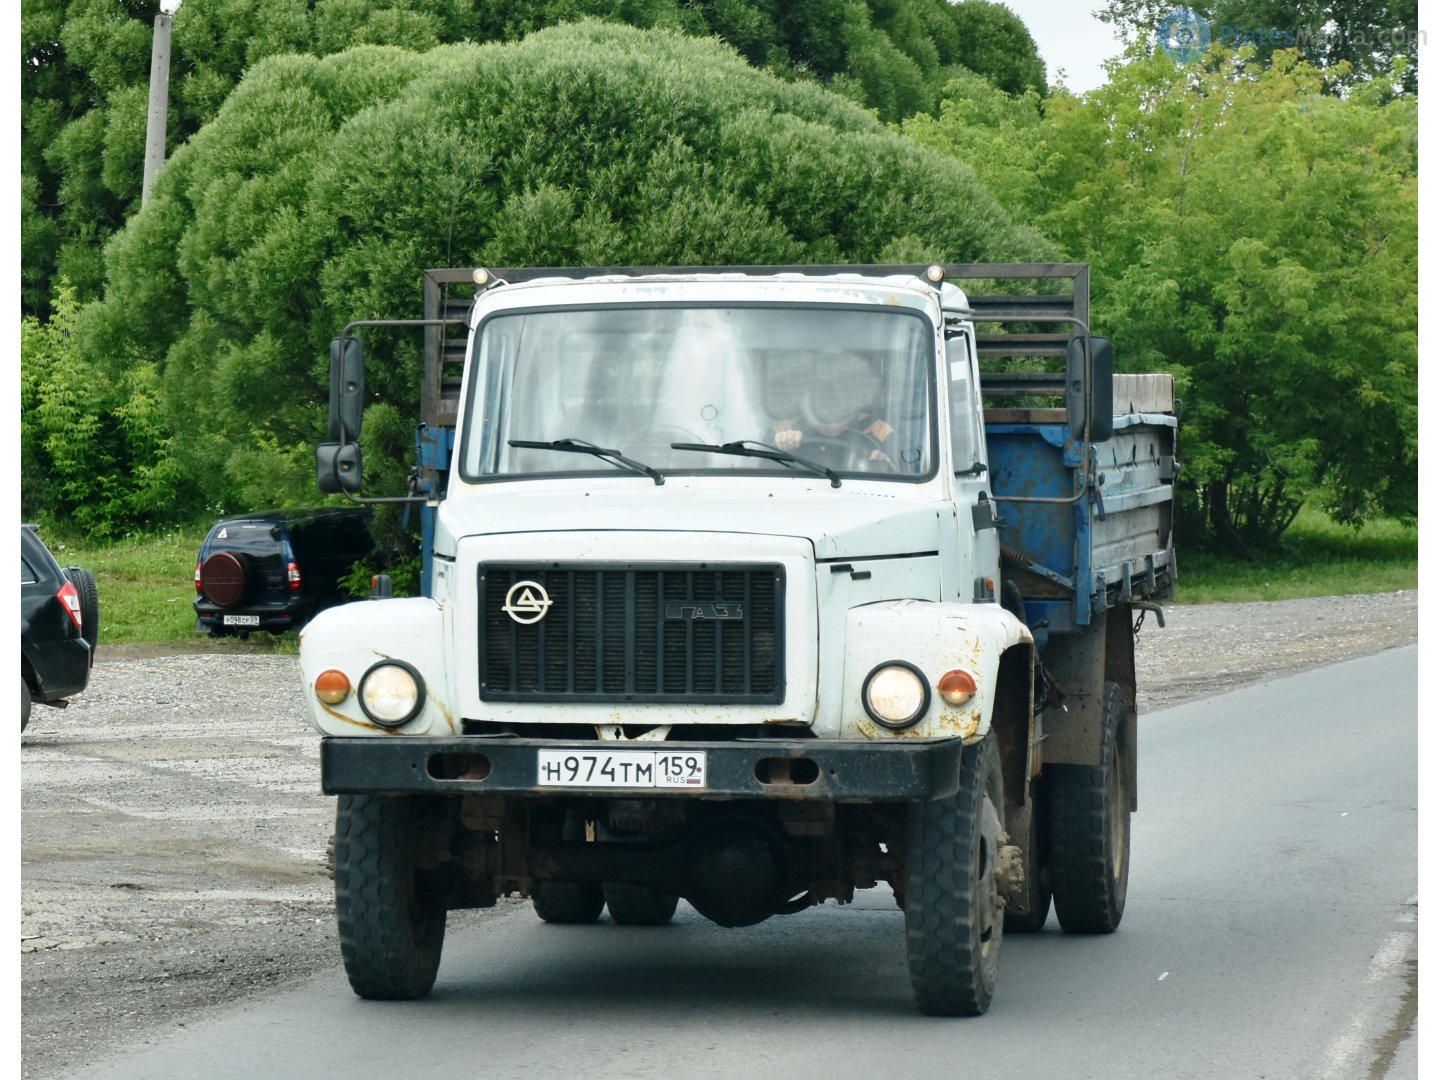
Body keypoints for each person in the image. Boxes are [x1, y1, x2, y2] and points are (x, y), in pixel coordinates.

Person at [770, 352, 895, 465]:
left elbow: (905, 472)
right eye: (826, 391)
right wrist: (781, 446)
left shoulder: (880, 429)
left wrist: (887, 465)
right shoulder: (784, 429)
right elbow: (760, 469)